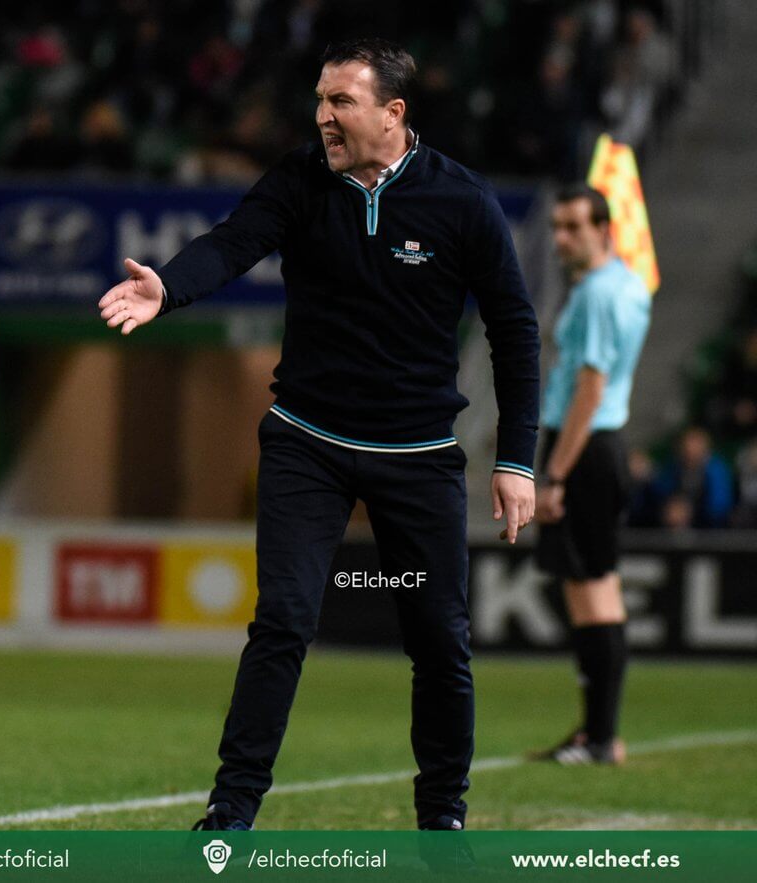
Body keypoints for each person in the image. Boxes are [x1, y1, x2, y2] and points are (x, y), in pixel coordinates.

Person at [97, 38, 539, 831]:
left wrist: (515, 460)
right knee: (286, 619)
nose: (323, 116)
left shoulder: (463, 201)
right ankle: (230, 814)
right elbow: (234, 242)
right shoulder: (301, 179)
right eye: (320, 100)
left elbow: (515, 331)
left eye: (341, 102)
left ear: (392, 114)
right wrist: (171, 287)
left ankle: (443, 821)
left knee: (439, 638)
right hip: (309, 444)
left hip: (419, 458)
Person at [532, 184, 651, 765]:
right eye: (557, 226)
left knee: (592, 594)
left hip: (582, 447)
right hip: (601, 446)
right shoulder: (626, 284)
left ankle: (601, 736)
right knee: (593, 588)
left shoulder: (599, 295)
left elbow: (590, 387)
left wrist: (554, 474)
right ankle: (595, 732)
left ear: (604, 228)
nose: (561, 238)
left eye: (574, 226)